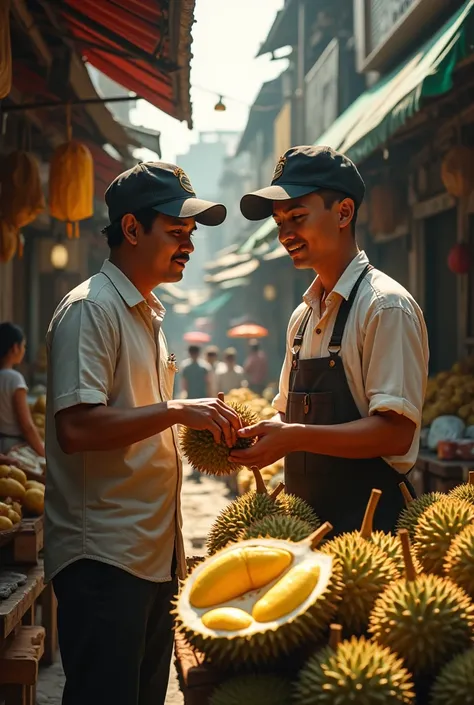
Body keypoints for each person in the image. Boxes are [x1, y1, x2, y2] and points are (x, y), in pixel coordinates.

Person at [44, 161, 241, 705]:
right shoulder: (91, 310)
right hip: (105, 558)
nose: (188, 247)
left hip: (151, 556)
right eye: (176, 233)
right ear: (132, 229)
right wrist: (177, 411)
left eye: (190, 236)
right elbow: (77, 427)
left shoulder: (146, 314)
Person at [231, 145, 428, 536]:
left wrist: (294, 437)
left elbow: (396, 432)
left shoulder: (386, 307)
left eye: (298, 217)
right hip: (306, 530)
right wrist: (250, 434)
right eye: (278, 222)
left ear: (343, 213)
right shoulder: (301, 319)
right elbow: (288, 417)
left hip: (373, 537)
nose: (285, 234)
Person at [0, 322, 44, 457]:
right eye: (23, 346)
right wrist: (43, 453)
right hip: (12, 448)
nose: (24, 350)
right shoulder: (14, 379)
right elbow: (27, 426)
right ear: (15, 348)